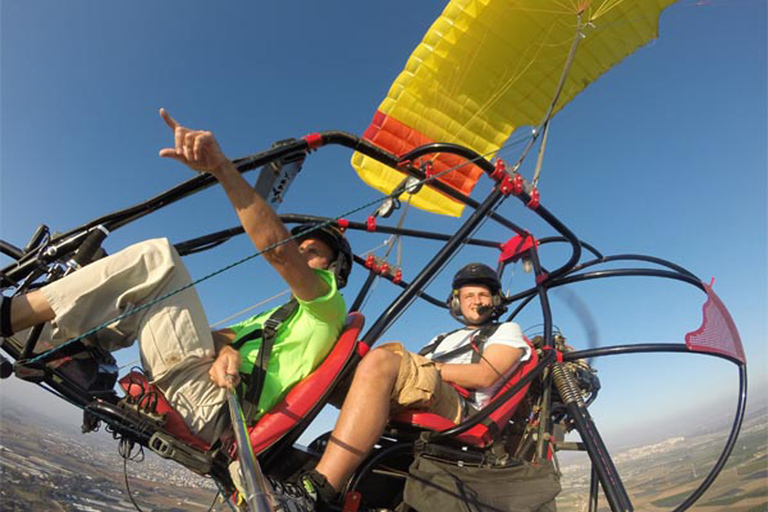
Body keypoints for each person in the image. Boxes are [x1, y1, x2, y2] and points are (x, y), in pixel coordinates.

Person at [0, 109, 351, 445]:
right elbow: (213, 336)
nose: (301, 252)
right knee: (120, 278)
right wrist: (225, 349)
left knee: (158, 261)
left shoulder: (328, 307)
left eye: (313, 252)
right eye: (301, 247)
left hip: (218, 408)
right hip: (204, 390)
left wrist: (221, 169)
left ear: (334, 271)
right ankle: (54, 338)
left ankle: (9, 317)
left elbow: (278, 249)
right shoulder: (280, 319)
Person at [272, 262, 533, 511]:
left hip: (461, 408)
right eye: (468, 296)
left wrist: (432, 368)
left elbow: (486, 375)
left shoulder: (506, 330)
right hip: (430, 392)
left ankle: (318, 489)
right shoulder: (442, 339)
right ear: (457, 302)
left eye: (483, 295)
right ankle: (270, 456)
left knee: (382, 361)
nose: (476, 301)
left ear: (495, 300)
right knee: (333, 366)